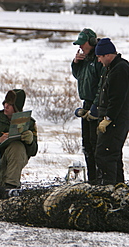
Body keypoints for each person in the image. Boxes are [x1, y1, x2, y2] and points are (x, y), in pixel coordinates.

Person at [93, 38, 129, 185]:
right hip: (114, 119)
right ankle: (119, 189)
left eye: (100, 57)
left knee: (105, 154)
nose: (99, 61)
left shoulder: (120, 69)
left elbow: (117, 98)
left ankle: (108, 187)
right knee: (113, 154)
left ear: (107, 55)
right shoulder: (112, 68)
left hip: (116, 120)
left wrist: (108, 118)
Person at [71, 28, 104, 181]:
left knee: (95, 142)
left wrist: (95, 106)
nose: (80, 47)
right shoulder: (86, 59)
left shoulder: (98, 59)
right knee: (86, 144)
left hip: (96, 104)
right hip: (87, 103)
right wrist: (76, 63)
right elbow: (79, 76)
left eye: (83, 44)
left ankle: (99, 177)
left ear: (91, 42)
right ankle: (92, 178)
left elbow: (102, 85)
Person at [0, 89, 38, 189]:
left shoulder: (29, 123)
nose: (6, 106)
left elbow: (33, 152)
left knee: (17, 146)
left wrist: (30, 141)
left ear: (17, 107)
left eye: (10, 104)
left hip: (16, 158)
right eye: (5, 102)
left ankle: (11, 185)